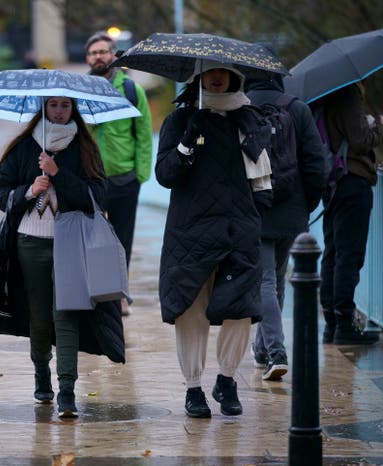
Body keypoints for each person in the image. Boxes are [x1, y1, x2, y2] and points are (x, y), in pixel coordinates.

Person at [0, 96, 125, 418]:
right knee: (39, 318)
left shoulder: (85, 148)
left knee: (66, 315)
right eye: (53, 105)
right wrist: (29, 191)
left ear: (73, 108)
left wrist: (58, 173)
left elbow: (98, 196)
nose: (59, 111)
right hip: (30, 243)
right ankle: (41, 375)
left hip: (71, 244)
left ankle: (67, 392)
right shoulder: (24, 147)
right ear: (43, 107)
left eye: (65, 105)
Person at [156, 62, 272, 418]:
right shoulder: (180, 120)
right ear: (199, 77)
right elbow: (165, 175)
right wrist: (187, 143)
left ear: (235, 77)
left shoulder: (248, 120)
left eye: (223, 72)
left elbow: (263, 180)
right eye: (209, 72)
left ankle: (227, 379)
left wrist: (257, 210)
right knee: (190, 309)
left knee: (242, 307)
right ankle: (193, 388)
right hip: (190, 231)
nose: (217, 77)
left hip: (239, 229)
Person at [244, 44, 327, 381]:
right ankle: (263, 349)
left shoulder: (240, 109)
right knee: (275, 280)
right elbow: (316, 164)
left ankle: (276, 352)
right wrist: (306, 204)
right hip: (292, 211)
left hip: (254, 208)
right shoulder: (297, 109)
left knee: (265, 280)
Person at [319, 82, 383, 345]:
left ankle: (332, 324)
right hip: (352, 181)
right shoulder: (347, 92)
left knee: (332, 252)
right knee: (348, 255)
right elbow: (361, 141)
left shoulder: (327, 93)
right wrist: (381, 126)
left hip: (332, 182)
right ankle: (344, 326)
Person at [85, 31, 153, 316]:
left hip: (125, 177)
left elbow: (144, 135)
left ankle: (120, 295)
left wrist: (140, 175)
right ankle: (95, 292)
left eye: (103, 51)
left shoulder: (130, 90)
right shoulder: (81, 90)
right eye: (93, 53)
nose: (98, 57)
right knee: (91, 239)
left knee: (122, 239)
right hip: (91, 178)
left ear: (113, 55)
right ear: (87, 58)